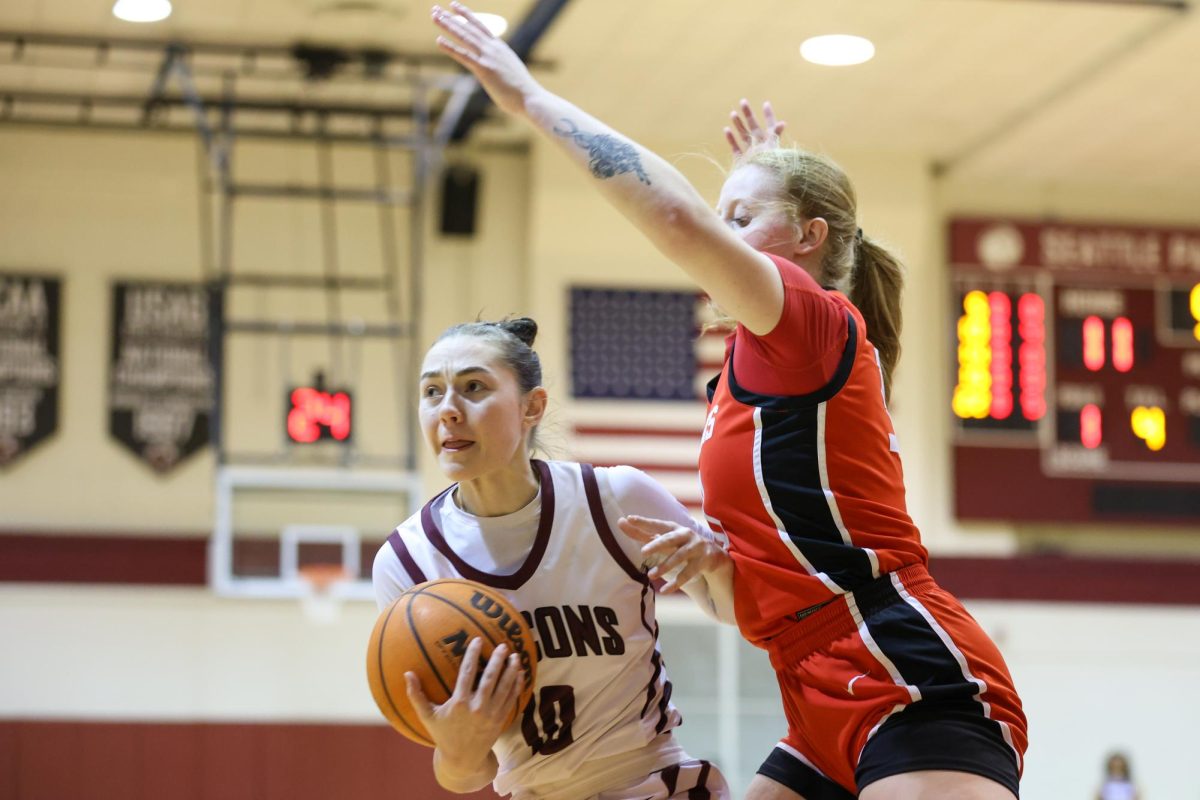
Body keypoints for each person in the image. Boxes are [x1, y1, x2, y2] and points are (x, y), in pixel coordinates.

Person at [429, 5, 1028, 799]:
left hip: (905, 673)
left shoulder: (811, 324)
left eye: (743, 219)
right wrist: (716, 564)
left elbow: (672, 216)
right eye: (725, 217)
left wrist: (529, 100)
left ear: (809, 238)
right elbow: (757, 611)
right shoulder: (752, 375)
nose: (721, 235)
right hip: (814, 687)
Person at [372, 317, 734, 800]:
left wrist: (715, 564)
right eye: (432, 392)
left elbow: (733, 609)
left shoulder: (613, 498)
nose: (449, 411)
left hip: (652, 783)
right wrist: (460, 747)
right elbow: (466, 773)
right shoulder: (407, 561)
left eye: (473, 387)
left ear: (532, 407)